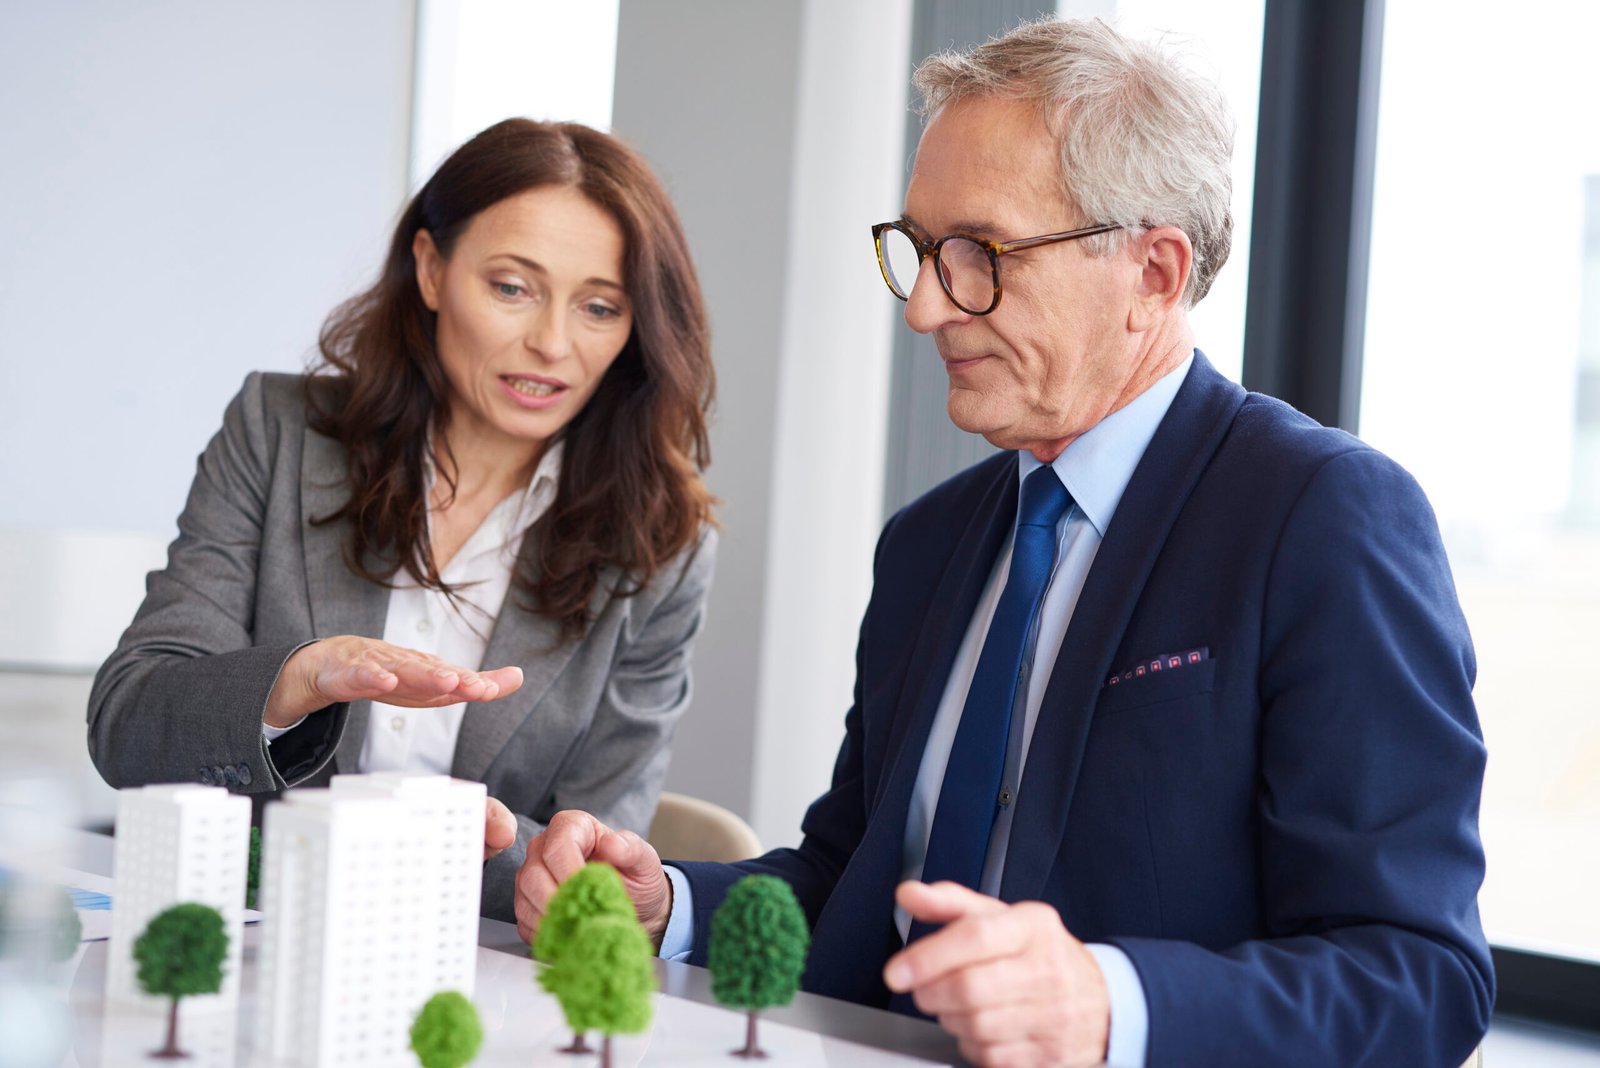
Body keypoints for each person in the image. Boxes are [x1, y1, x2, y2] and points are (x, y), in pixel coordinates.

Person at [514, 19, 1492, 1068]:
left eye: (980, 254)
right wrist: (669, 908)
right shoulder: (929, 543)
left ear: (1154, 273)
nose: (927, 308)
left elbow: (1419, 977)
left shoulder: (1321, 516)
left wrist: (1109, 1005)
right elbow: (853, 883)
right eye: (920, 252)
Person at [87, 118, 717, 922]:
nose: (552, 343)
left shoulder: (662, 544)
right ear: (430, 270)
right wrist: (295, 683)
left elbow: (594, 868)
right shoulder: (280, 434)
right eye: (512, 287)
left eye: (599, 306)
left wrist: (454, 840)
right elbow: (127, 726)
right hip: (242, 945)